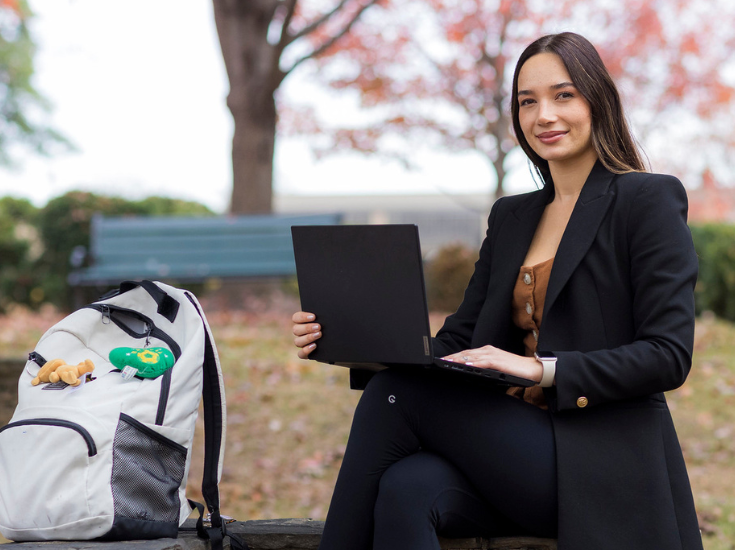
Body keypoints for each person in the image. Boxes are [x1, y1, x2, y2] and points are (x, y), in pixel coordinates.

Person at [290, 32, 702, 550]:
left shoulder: (646, 200)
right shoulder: (513, 217)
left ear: (597, 99)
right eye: (527, 102)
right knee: (406, 486)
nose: (543, 115)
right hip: (510, 452)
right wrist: (345, 336)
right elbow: (458, 341)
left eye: (563, 95)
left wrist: (542, 369)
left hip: (601, 461)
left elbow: (668, 355)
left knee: (394, 397)